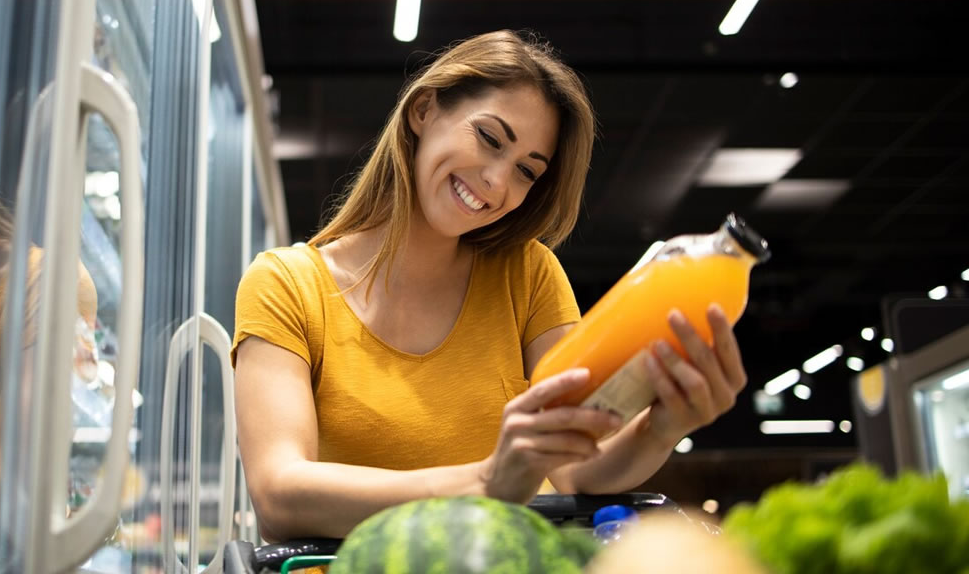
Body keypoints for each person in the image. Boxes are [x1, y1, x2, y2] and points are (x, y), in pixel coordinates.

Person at [232, 30, 748, 542]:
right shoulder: (285, 286)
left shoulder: (527, 275)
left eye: (526, 170)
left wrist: (661, 427)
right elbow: (280, 494)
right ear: (424, 111)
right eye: (490, 138)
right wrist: (484, 482)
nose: (498, 183)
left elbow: (577, 464)